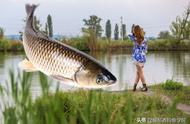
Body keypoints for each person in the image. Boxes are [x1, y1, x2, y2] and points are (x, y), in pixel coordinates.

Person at [128, 25, 148, 92]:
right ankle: (134, 87)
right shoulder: (145, 39)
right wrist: (141, 31)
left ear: (135, 31)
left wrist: (133, 32)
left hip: (137, 57)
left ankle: (144, 86)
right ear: (141, 31)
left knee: (140, 72)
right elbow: (145, 49)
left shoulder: (134, 38)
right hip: (143, 57)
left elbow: (129, 34)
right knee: (138, 73)